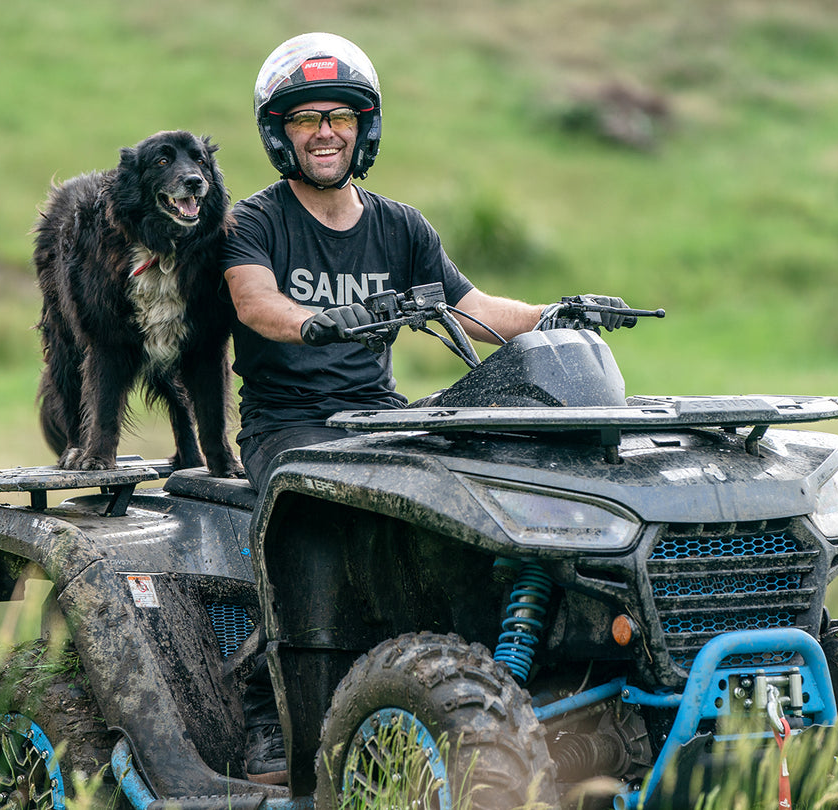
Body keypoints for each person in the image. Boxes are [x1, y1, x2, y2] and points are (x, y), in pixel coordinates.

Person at [221, 32, 630, 784]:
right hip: (292, 430)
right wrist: (315, 320)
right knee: (316, 521)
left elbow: (472, 310)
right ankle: (263, 712)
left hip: (379, 418)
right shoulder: (255, 222)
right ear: (279, 134)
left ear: (363, 128)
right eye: (306, 118)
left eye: (339, 117)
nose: (323, 132)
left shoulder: (400, 226)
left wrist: (556, 313)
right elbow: (256, 303)